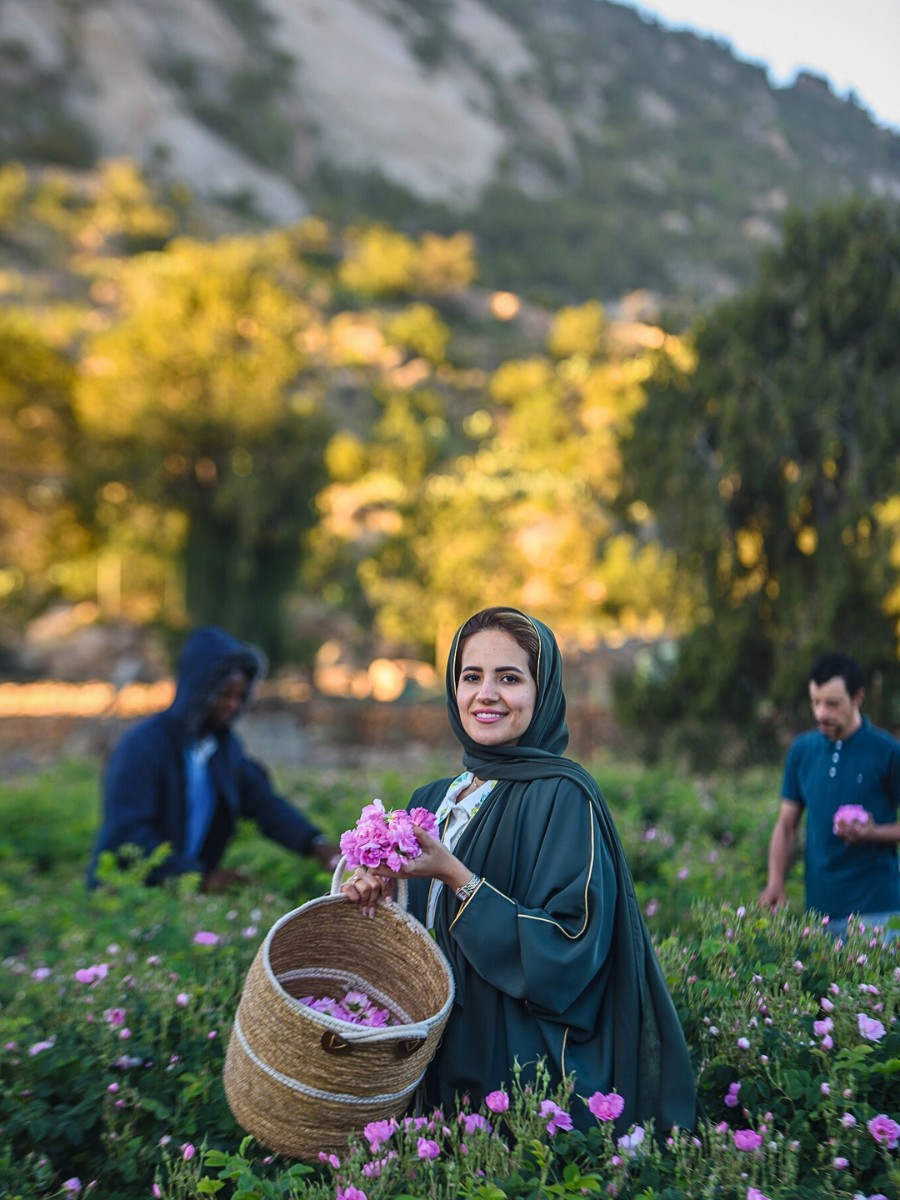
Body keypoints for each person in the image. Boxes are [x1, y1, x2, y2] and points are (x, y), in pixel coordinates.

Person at [342, 606, 697, 1134]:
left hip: (513, 1073)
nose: (486, 694)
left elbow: (571, 948)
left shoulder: (564, 795)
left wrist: (456, 878)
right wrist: (382, 894)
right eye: (471, 677)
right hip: (430, 1063)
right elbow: (415, 947)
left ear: (543, 688)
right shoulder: (430, 801)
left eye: (509, 677)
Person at [87, 625, 340, 891]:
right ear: (198, 689)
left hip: (181, 895)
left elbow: (263, 804)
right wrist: (200, 877)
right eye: (224, 694)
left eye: (239, 696)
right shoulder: (144, 746)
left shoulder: (222, 748)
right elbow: (128, 833)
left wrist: (316, 844)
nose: (233, 705)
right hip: (127, 893)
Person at [759, 651, 900, 941]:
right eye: (816, 702)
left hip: (878, 913)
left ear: (858, 698)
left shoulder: (887, 752)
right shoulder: (802, 751)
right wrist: (775, 882)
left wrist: (873, 832)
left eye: (832, 704)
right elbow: (786, 825)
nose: (821, 713)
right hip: (819, 914)